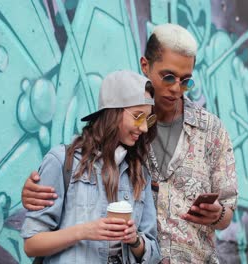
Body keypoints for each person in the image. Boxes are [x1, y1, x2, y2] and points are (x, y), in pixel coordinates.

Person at [22, 24, 238, 263]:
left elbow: (227, 213)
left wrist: (218, 215)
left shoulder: (211, 131)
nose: (176, 88)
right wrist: (34, 191)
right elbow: (73, 179)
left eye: (185, 80)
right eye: (168, 76)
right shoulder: (117, 132)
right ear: (145, 66)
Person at [20, 70, 161, 264]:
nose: (144, 127)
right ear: (112, 113)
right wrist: (84, 231)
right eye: (138, 116)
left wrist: (135, 241)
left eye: (148, 119)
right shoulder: (62, 161)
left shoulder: (139, 173)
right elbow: (32, 244)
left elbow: (153, 253)